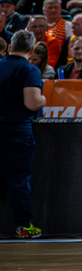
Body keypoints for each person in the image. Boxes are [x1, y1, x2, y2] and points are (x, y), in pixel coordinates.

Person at [0, 31, 46, 238]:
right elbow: (32, 102)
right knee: (19, 180)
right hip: (17, 132)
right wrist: (43, 100)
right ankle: (24, 226)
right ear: (32, 49)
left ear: (10, 46)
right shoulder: (30, 70)